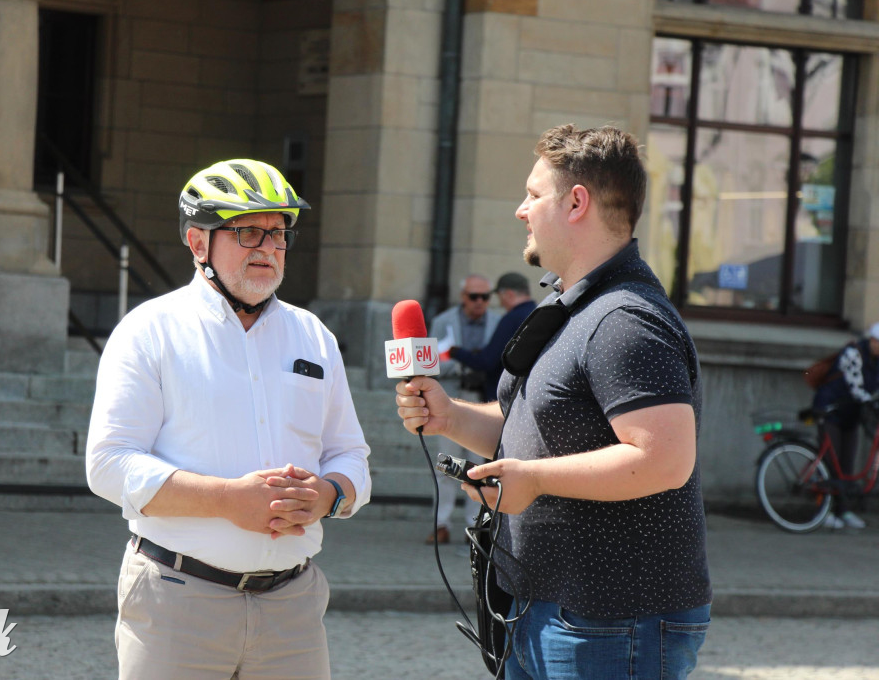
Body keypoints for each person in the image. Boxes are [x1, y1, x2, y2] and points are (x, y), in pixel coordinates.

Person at [395, 124, 711, 679]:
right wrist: (450, 417)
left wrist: (534, 480)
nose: (521, 210)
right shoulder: (578, 307)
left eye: (534, 194)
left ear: (577, 203)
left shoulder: (624, 320)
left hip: (610, 620)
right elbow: (533, 431)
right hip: (551, 608)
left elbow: (664, 460)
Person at [87, 159, 372, 679]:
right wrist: (226, 500)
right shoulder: (150, 330)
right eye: (247, 231)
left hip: (293, 607)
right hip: (177, 602)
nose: (267, 247)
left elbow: (351, 455)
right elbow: (108, 464)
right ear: (198, 244)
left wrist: (329, 495)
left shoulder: (314, 336)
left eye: (279, 233)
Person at [426, 274, 501, 544]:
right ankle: (441, 524)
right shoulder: (444, 321)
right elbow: (430, 361)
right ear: (463, 297)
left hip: (483, 402)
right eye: (473, 297)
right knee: (445, 466)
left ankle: (474, 528)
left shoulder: (497, 321)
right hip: (451, 399)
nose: (479, 302)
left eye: (485, 297)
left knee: (479, 467)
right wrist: (461, 365)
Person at [812, 321, 879, 530]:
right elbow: (855, 388)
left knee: (847, 464)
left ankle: (844, 511)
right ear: (873, 340)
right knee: (831, 464)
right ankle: (824, 512)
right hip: (830, 411)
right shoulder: (853, 353)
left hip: (851, 415)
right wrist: (871, 403)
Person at [448, 272, 537, 402]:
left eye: (499, 297)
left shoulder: (512, 318)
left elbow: (487, 362)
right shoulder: (537, 313)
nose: (500, 303)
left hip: (503, 398)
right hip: (527, 392)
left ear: (509, 294)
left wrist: (456, 352)